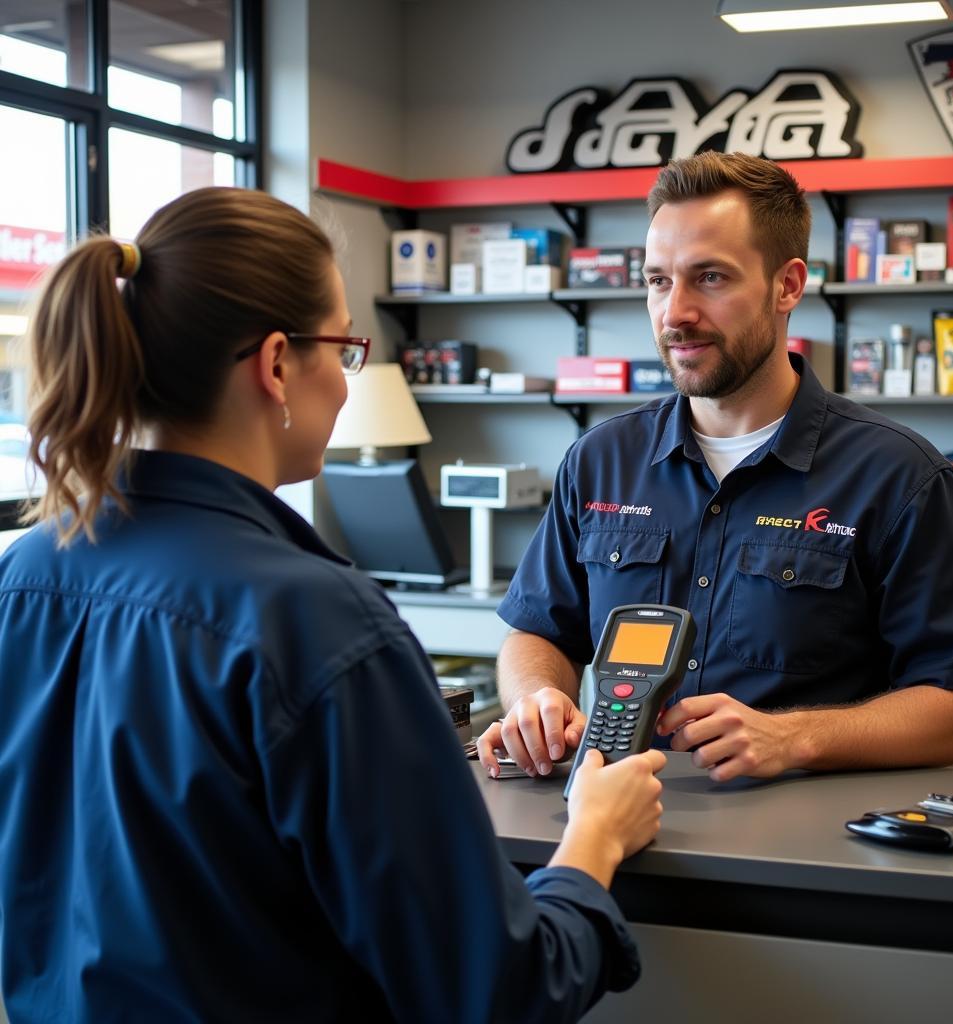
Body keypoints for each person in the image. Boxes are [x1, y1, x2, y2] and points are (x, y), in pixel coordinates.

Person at [0, 186, 668, 1023]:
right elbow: (495, 987)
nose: (349, 386)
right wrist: (593, 840)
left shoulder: (24, 575)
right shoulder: (314, 620)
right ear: (277, 364)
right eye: (345, 350)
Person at [479, 151, 953, 784]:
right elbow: (536, 633)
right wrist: (535, 700)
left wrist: (795, 738)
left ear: (787, 285)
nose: (674, 312)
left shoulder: (900, 477)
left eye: (710, 277)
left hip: (806, 862)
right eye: (658, 280)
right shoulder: (600, 461)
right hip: (605, 836)